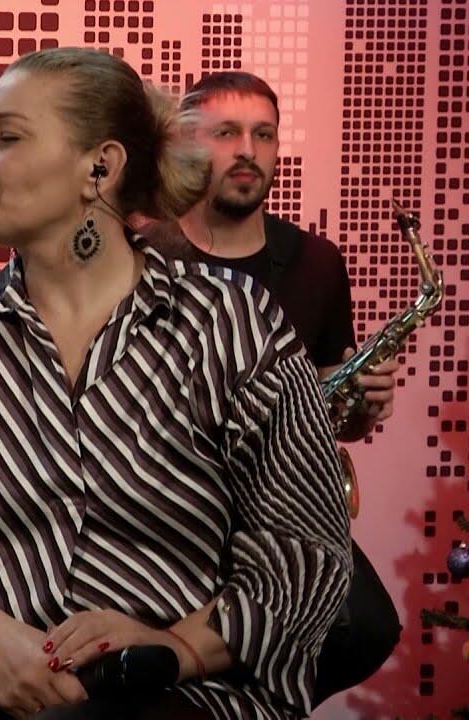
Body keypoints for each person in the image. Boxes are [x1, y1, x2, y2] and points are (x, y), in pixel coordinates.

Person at [0, 48, 353, 720]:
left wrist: (177, 646)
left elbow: (307, 550)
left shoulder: (231, 324)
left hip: (181, 700)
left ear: (101, 167)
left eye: (7, 137)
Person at [141, 71, 401, 706]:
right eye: (226, 133)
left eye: (263, 135)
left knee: (366, 626)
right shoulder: (145, 252)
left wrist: (361, 404)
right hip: (173, 505)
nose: (247, 151)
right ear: (184, 146)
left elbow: (338, 419)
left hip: (283, 506)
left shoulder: (317, 262)